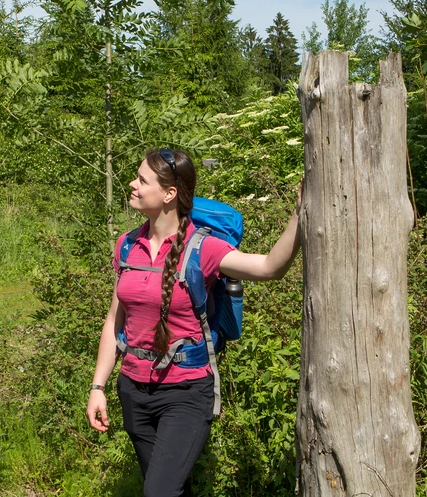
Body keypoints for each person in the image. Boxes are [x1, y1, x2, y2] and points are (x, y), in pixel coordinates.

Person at [85, 147, 302, 497]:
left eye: (142, 180)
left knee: (158, 492)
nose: (132, 184)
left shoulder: (205, 249)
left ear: (169, 194)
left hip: (185, 392)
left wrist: (299, 212)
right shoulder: (127, 246)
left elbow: (269, 267)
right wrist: (98, 387)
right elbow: (114, 321)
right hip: (133, 391)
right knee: (172, 489)